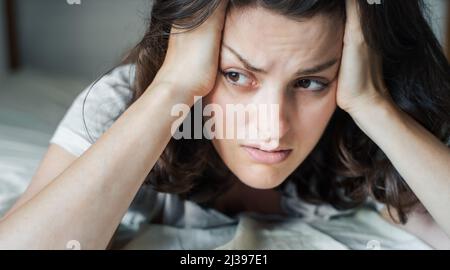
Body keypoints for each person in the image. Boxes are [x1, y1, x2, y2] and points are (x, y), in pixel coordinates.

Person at [0, 0, 449, 249]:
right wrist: (172, 90)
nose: (272, 128)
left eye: (311, 81)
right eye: (236, 75)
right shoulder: (125, 103)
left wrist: (372, 105)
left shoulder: (362, 122)